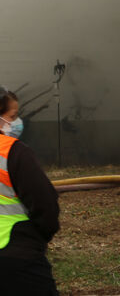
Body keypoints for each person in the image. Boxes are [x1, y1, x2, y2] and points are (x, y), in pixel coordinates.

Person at [0, 88, 60, 295]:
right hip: (16, 257)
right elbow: (45, 205)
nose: (17, 122)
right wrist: (37, 238)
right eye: (12, 117)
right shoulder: (13, 152)